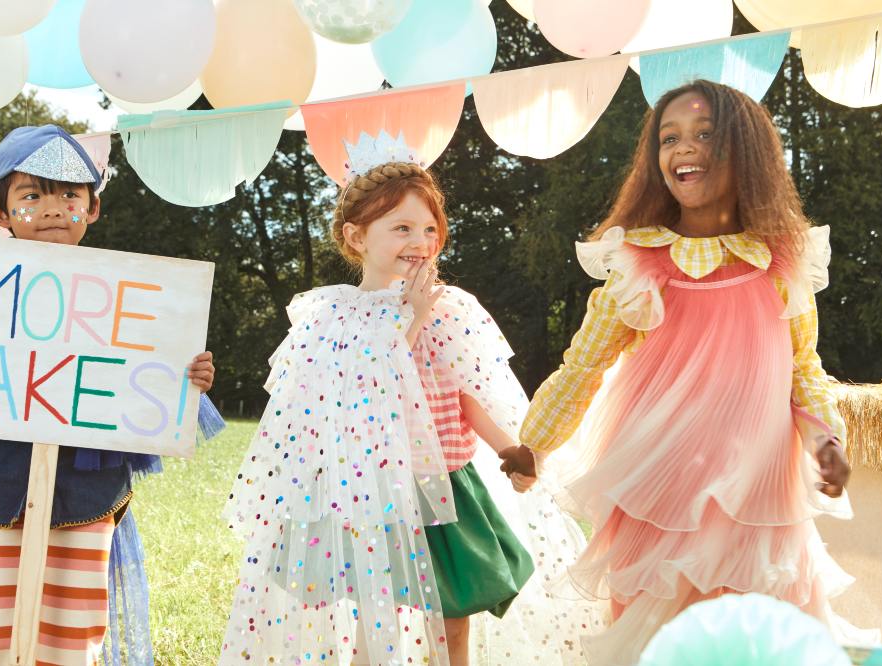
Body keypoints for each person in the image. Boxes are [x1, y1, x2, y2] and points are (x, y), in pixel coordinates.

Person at [498, 81, 879, 663]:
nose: (684, 148)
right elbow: (584, 365)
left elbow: (803, 369)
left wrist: (825, 439)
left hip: (756, 491)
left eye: (705, 134)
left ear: (745, 154)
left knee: (756, 634)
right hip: (663, 491)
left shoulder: (779, 265)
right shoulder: (638, 265)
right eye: (669, 138)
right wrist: (534, 443)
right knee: (663, 635)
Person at [220, 132, 602, 666]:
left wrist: (508, 447)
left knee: (453, 615)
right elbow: (361, 385)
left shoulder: (452, 308)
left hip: (446, 483)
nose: (419, 241)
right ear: (357, 237)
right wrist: (412, 314)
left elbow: (465, 392)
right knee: (375, 623)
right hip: (367, 491)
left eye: (429, 228)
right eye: (401, 228)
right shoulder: (337, 315)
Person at [0, 125, 221, 665]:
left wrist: (188, 375)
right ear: (1, 213)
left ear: (94, 207)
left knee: (72, 632)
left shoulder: (127, 292)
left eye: (70, 194)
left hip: (84, 497)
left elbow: (150, 374)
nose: (54, 207)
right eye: (31, 194)